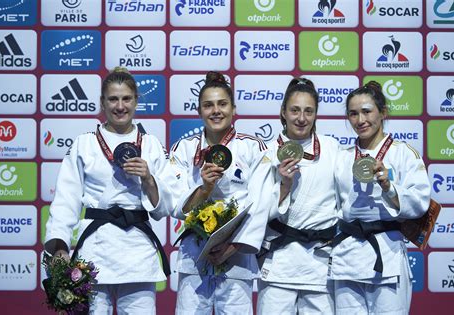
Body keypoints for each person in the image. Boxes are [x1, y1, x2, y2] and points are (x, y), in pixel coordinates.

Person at [44, 67, 178, 314]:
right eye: (113, 99)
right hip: (95, 252)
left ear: (137, 101)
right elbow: (66, 199)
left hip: (137, 251)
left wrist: (148, 178)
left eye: (126, 98)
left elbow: (167, 207)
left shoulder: (151, 144)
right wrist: (60, 246)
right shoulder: (84, 143)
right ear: (102, 103)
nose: (120, 106)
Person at [170, 71, 274, 315]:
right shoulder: (183, 149)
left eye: (222, 104)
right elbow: (175, 205)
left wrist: (233, 246)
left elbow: (260, 204)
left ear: (234, 108)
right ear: (199, 111)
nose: (216, 111)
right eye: (208, 105)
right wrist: (204, 188)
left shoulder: (252, 147)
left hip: (237, 258)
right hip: (194, 257)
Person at [328, 81, 431, 314]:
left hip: (387, 255)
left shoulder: (404, 153)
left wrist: (389, 187)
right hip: (347, 256)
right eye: (353, 114)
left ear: (383, 113)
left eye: (367, 111)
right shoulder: (342, 158)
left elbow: (419, 203)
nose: (360, 120)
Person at [256, 78, 339, 314]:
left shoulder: (332, 149)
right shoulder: (267, 153)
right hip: (279, 262)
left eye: (308, 111)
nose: (301, 118)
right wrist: (284, 186)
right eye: (294, 110)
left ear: (315, 114)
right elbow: (259, 210)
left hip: (320, 262)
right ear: (283, 112)